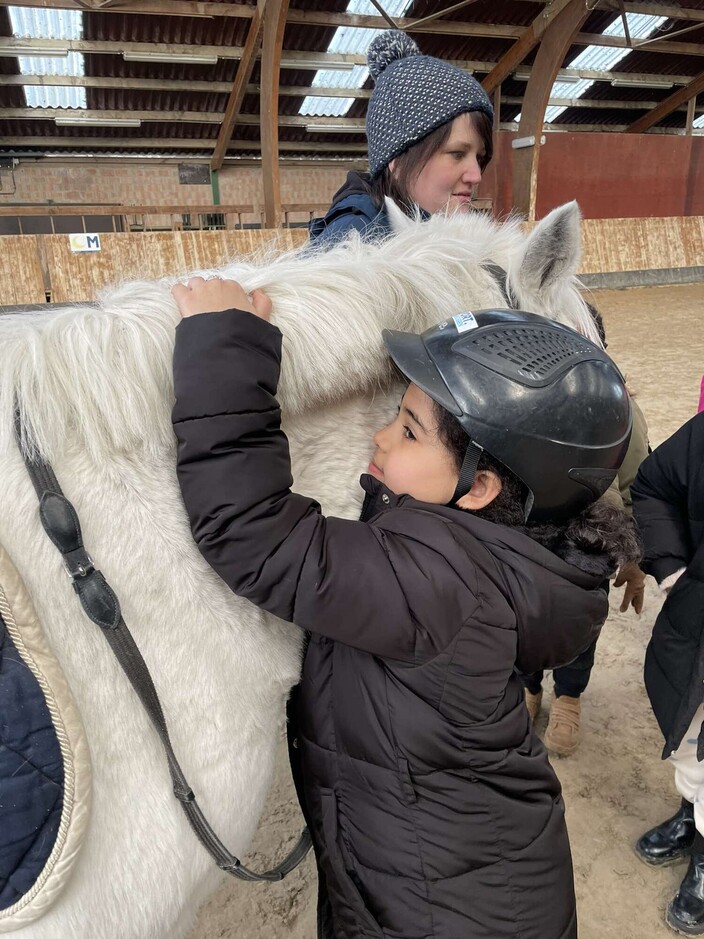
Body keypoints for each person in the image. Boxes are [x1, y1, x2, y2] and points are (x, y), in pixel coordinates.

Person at [170, 275, 640, 938]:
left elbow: (254, 535)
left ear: (480, 487)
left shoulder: (446, 585)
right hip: (432, 881)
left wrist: (224, 346)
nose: (381, 439)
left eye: (410, 430)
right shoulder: (489, 554)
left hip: (450, 912)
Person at [520, 300, 650, 756]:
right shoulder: (517, 403)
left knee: (578, 627)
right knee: (524, 622)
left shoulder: (622, 416)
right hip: (525, 546)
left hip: (588, 550)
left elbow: (636, 487)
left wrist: (634, 560)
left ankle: (570, 697)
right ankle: (530, 687)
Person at [309, 30, 494, 247]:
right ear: (397, 161)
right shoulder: (353, 240)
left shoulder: (441, 229)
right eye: (457, 153)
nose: (476, 175)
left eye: (479, 158)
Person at [631, 412, 704, 936]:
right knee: (690, 733)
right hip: (695, 630)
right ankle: (693, 810)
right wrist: (674, 571)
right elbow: (653, 482)